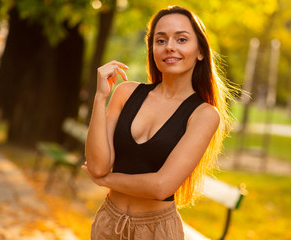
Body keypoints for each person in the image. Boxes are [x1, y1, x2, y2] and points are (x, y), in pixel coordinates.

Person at [82, 5, 233, 240]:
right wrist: (100, 98)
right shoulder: (125, 93)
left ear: (200, 51)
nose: (170, 46)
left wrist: (105, 180)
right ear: (152, 49)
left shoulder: (204, 115)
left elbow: (161, 186)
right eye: (161, 41)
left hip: (157, 232)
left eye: (181, 39)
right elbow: (98, 165)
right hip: (108, 223)